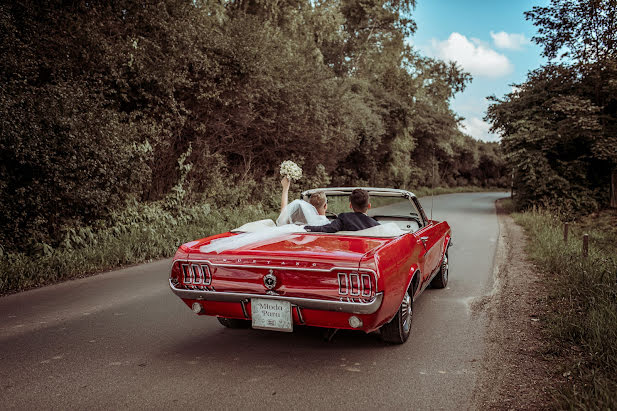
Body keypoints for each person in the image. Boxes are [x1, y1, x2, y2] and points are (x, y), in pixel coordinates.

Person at [304, 188, 379, 233]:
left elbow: (328, 228)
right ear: (369, 206)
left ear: (350, 206)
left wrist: (304, 228)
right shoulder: (376, 226)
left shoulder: (344, 218)